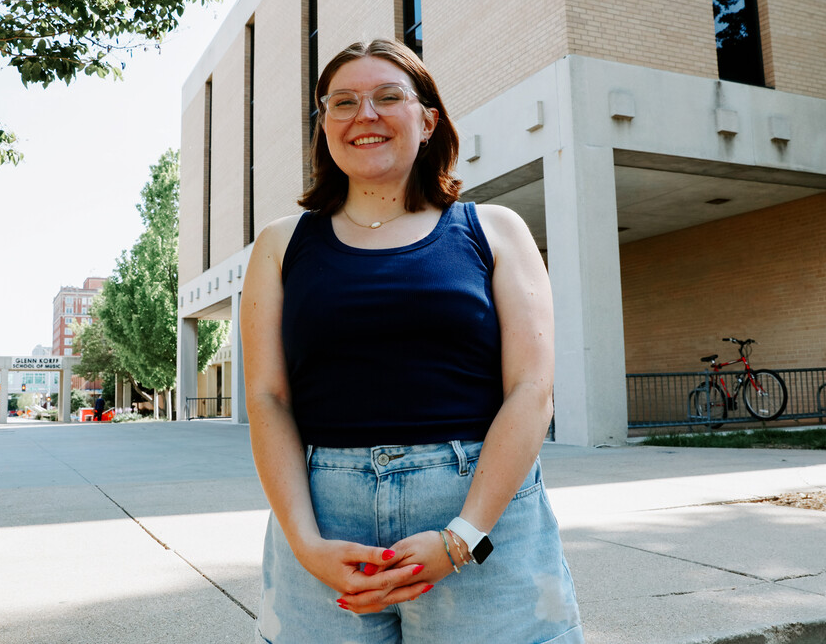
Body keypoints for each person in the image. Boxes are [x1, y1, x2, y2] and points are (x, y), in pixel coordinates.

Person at [241, 39, 583, 643]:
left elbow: (532, 389)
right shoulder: (278, 244)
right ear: (324, 127)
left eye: (387, 97)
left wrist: (463, 538)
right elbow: (268, 398)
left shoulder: (494, 230)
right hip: (325, 522)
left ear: (428, 121)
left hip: (481, 514)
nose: (364, 114)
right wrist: (305, 545)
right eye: (341, 102)